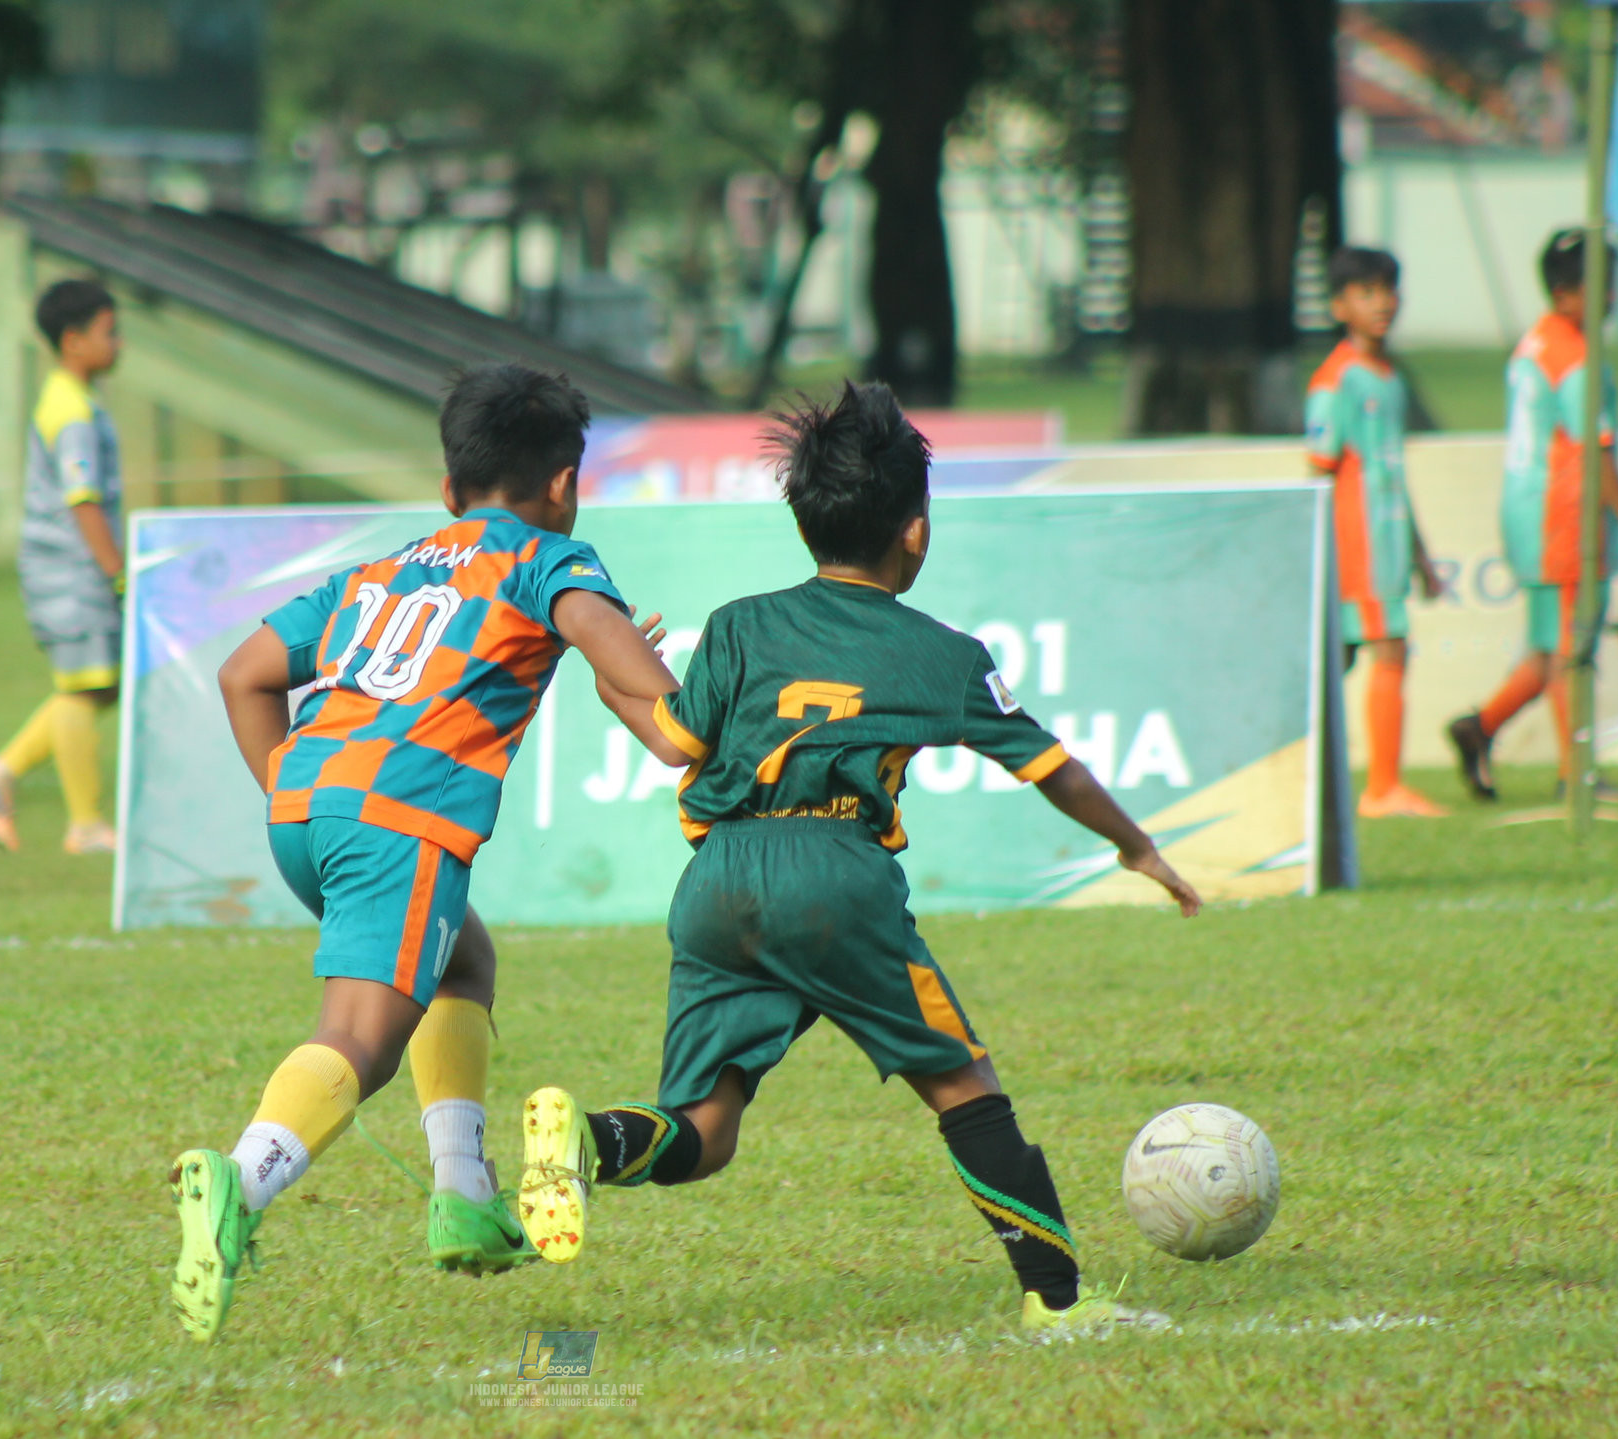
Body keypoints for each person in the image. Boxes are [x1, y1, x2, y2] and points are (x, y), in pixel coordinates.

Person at [511, 381, 1202, 1334]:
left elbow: (672, 740)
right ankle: (1058, 1303)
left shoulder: (744, 623)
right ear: (914, 531)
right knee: (964, 1086)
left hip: (717, 881)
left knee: (704, 1131)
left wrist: (607, 672)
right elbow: (1056, 768)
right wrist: (1137, 846)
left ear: (806, 519)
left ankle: (585, 1144)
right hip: (835, 875)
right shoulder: (941, 655)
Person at [167, 363, 681, 1343]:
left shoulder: (384, 570)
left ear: (449, 488)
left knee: (463, 959)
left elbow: (244, 673)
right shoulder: (545, 560)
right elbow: (624, 671)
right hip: (395, 821)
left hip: (304, 799)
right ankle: (238, 1182)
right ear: (566, 484)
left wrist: (294, 789)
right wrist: (661, 694)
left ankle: (460, 1195)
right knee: (359, 1036)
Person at [1449, 229, 1618, 801]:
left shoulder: (1538, 342)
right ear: (1564, 295)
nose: (1611, 298)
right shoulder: (1578, 359)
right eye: (1598, 287)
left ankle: (1478, 729)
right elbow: (1594, 449)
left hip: (1529, 505)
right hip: (1559, 511)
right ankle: (1574, 773)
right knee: (1567, 647)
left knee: (1548, 644)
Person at [0, 280, 126, 855]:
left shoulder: (71, 399)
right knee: (86, 687)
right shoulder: (71, 411)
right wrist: (117, 572)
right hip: (71, 569)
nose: (119, 343)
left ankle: (1, 771)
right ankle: (85, 824)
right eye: (110, 332)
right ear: (73, 341)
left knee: (103, 686)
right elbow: (82, 499)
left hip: (72, 567)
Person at [1307, 246, 1446, 818]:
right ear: (1340, 305)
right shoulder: (1336, 380)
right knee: (1381, 651)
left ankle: (1334, 776)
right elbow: (1319, 467)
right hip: (1357, 542)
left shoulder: (1387, 376)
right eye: (1367, 293)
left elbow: (1389, 470)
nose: (1383, 303)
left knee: (1340, 660)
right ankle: (1382, 788)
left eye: (1388, 290)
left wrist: (1419, 553)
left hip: (1386, 543)